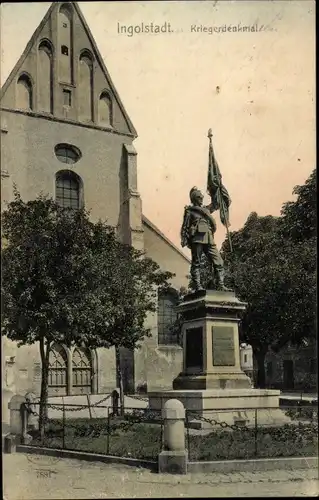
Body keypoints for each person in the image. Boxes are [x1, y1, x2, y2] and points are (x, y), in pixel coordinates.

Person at [181, 186, 229, 291]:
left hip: (209, 239)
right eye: (199, 197)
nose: (201, 198)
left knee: (218, 261)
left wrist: (216, 190)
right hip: (197, 239)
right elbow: (185, 226)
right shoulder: (190, 211)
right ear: (194, 199)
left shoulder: (206, 210)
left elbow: (216, 204)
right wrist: (184, 238)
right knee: (196, 263)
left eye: (202, 196)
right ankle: (198, 286)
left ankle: (221, 285)